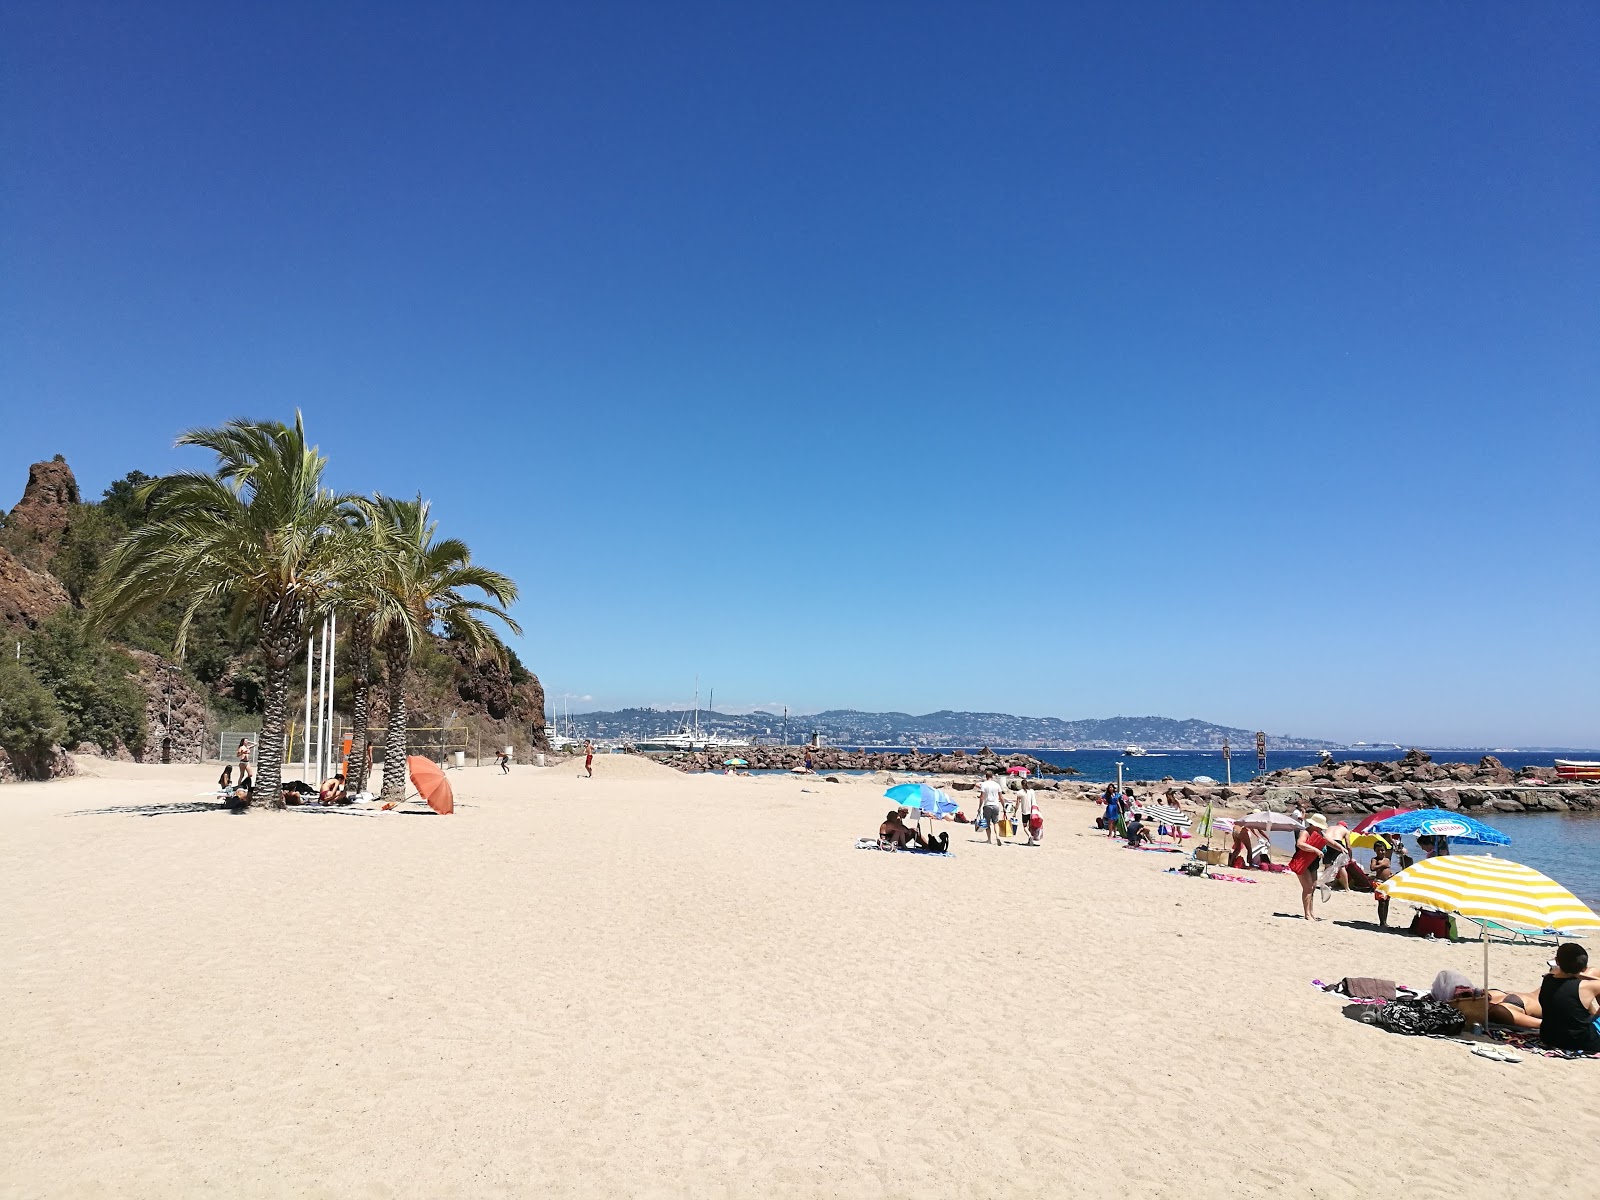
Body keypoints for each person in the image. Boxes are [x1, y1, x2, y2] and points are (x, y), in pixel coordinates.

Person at [1538, 943, 1600, 1054]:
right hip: (1583, 1043)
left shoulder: (1547, 979)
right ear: (1584, 968)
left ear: (1557, 962)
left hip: (1549, 1038)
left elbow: (1555, 972)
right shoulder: (1588, 987)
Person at [1288, 814, 1331, 920]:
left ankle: (1311, 913)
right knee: (1308, 888)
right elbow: (1300, 844)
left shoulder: (1320, 833)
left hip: (1313, 863)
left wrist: (1342, 849)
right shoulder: (1305, 832)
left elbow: (1332, 842)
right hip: (1302, 862)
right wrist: (1315, 850)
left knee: (1313, 888)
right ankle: (1307, 914)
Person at [1318, 820, 1353, 901]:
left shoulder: (1330, 827)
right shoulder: (1346, 830)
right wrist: (1350, 856)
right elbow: (1348, 845)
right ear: (1345, 826)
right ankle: (1347, 888)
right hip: (1337, 843)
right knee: (1341, 866)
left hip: (1326, 842)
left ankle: (1326, 884)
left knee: (1327, 865)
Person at [977, 772, 1004, 846]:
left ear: (986, 776)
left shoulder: (984, 784)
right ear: (992, 776)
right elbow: (1001, 797)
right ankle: (997, 836)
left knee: (987, 823)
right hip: (995, 805)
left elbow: (982, 797)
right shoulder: (997, 785)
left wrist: (979, 807)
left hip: (987, 805)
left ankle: (989, 839)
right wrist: (1004, 806)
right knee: (995, 822)